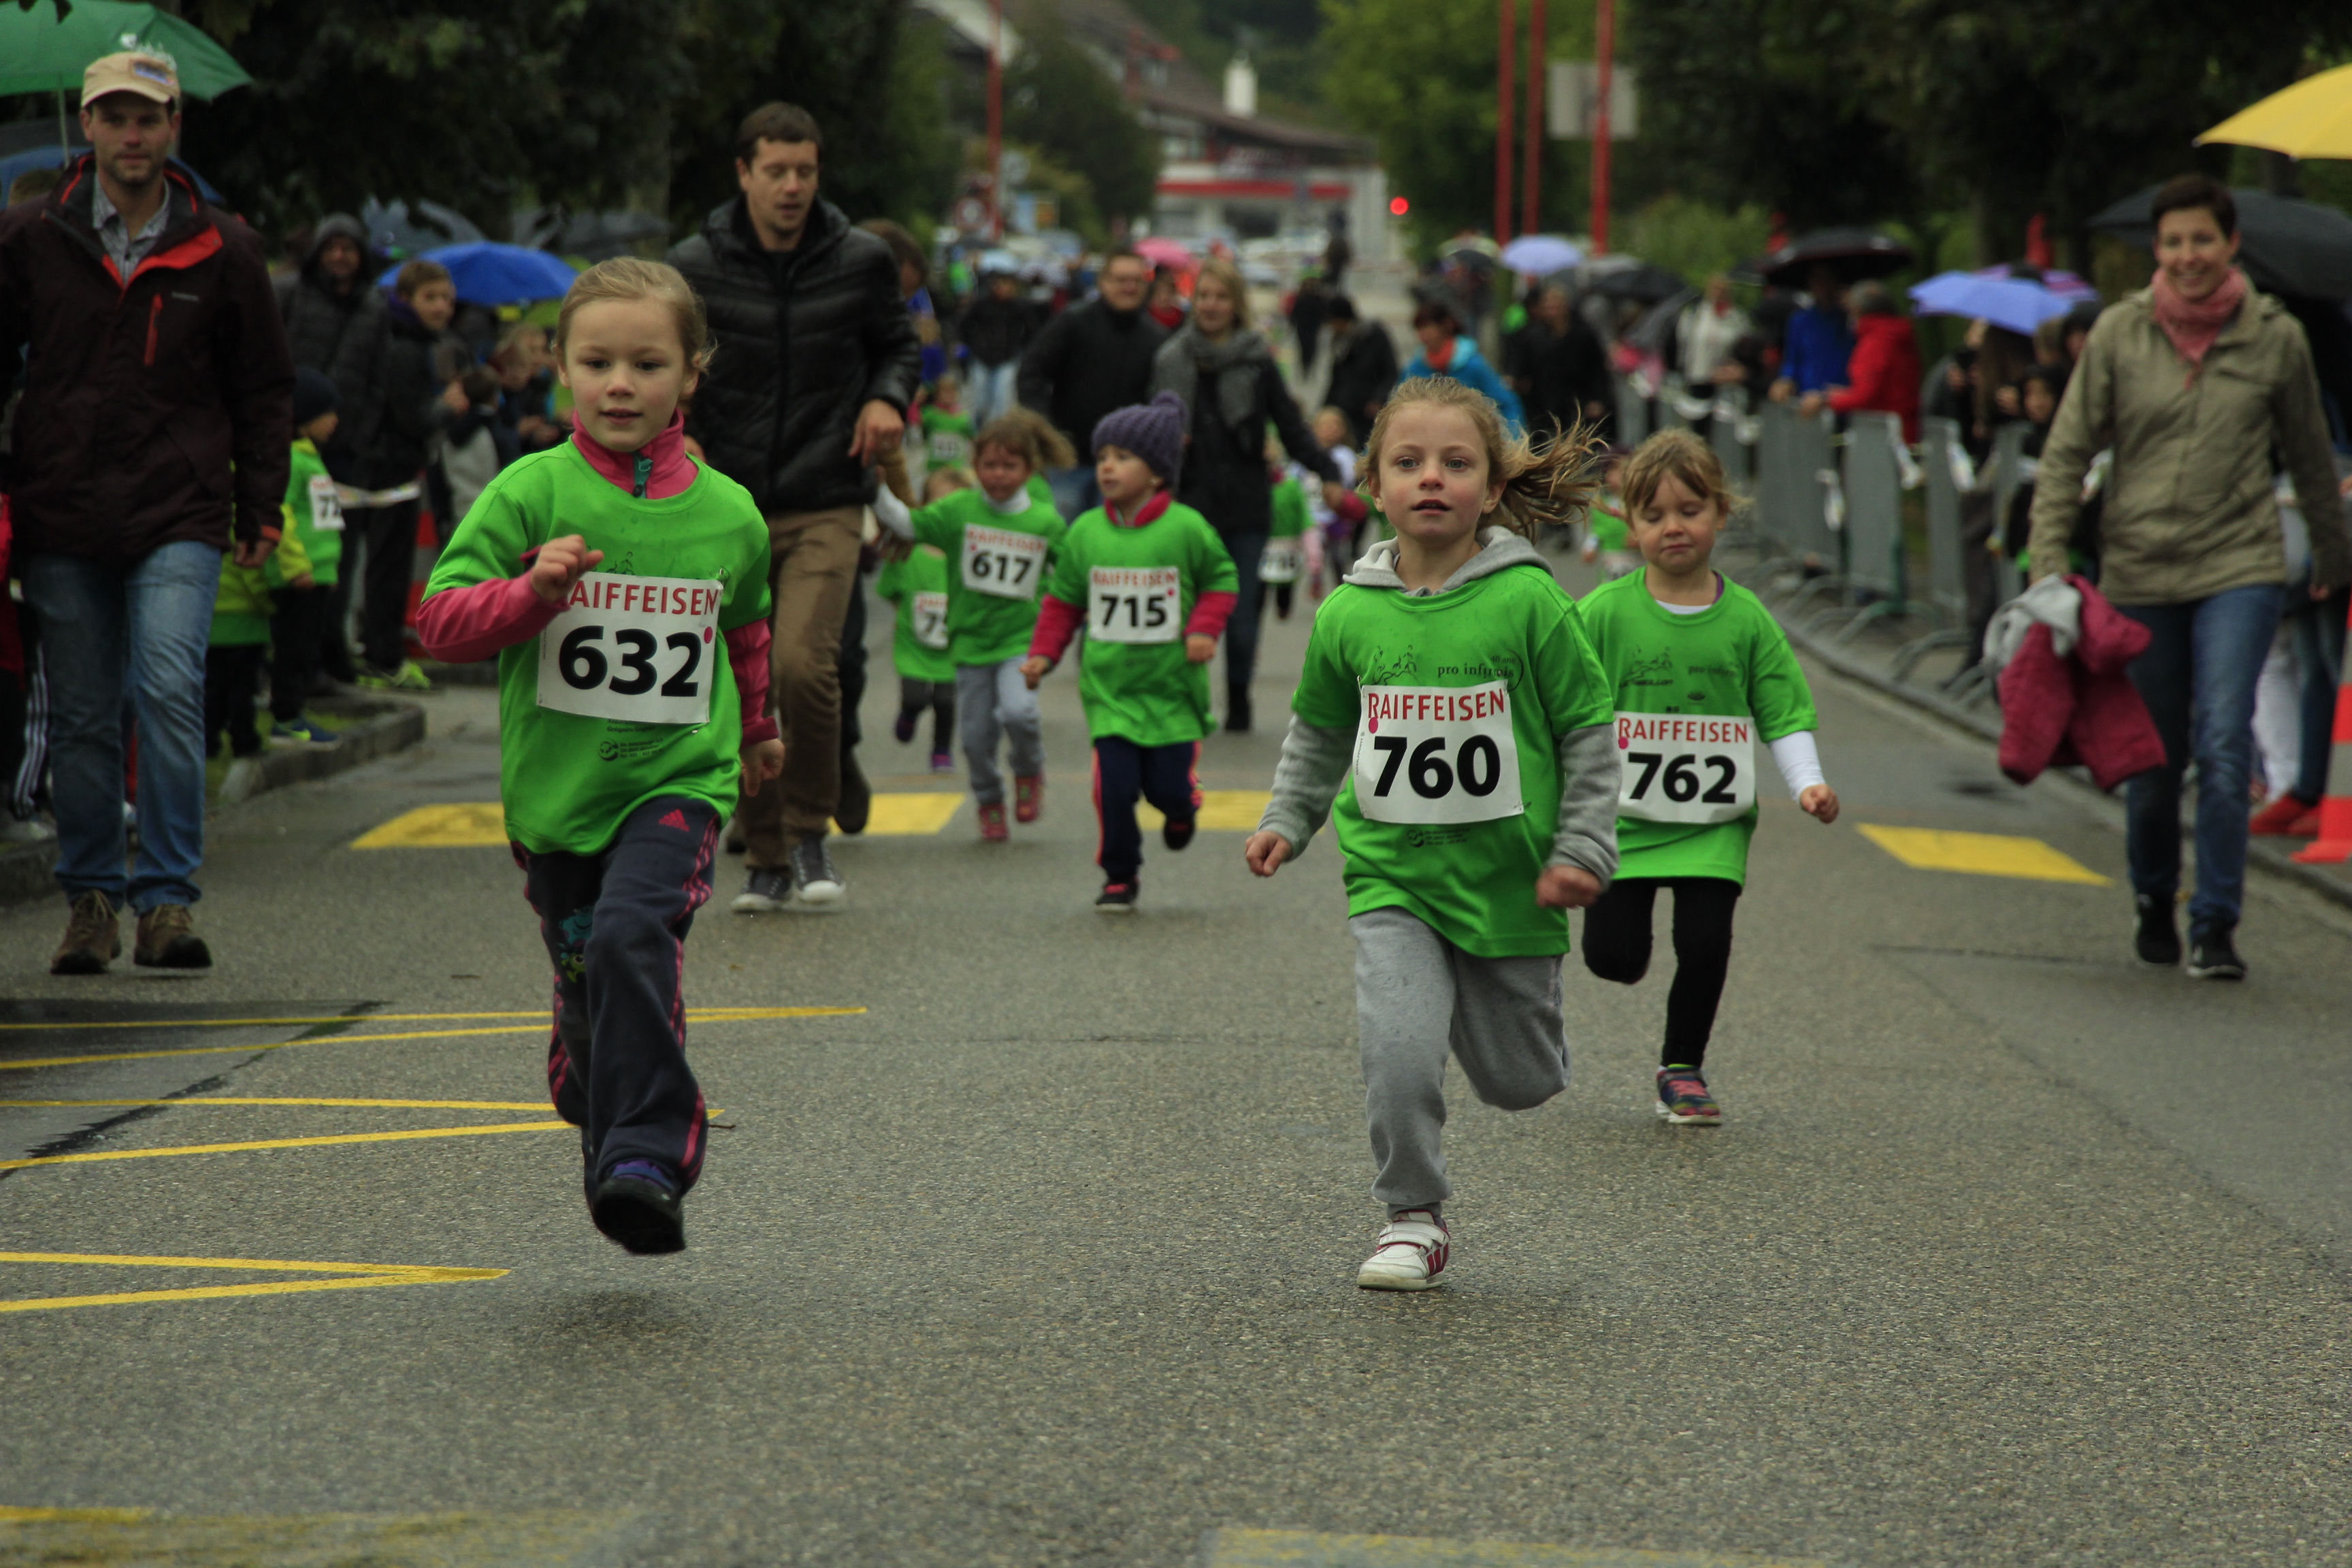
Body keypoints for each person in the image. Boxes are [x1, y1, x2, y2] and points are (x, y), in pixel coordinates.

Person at [414, 259, 782, 1255]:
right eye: (597, 363)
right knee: (590, 983)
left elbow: (745, 630)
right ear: (561, 368)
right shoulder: (530, 493)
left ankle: (650, 1159)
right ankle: (592, 1082)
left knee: (630, 935)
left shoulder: (732, 514)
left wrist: (756, 729)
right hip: (559, 798)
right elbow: (439, 623)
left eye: (648, 364)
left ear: (692, 372)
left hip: (678, 781)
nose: (621, 385)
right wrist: (531, 592)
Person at [1243, 374, 1618, 1291]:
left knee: (1521, 1083)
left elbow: (1587, 729)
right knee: (1398, 1050)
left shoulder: (1529, 602)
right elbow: (1321, 732)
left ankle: (1508, 1024)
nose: (1432, 478)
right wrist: (1288, 818)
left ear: (1492, 488)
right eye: (1408, 463)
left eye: (1457, 463)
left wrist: (1582, 847)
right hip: (1394, 877)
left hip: (1509, 881)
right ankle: (1412, 1216)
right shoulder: (1348, 611)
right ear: (1374, 486)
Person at [0, 50, 295, 975]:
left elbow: (263, 389)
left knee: (167, 688)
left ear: (174, 128)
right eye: (116, 117)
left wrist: (263, 503)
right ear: (88, 126)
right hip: (61, 507)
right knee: (85, 715)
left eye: (149, 118)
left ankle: (167, 899)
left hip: (180, 507)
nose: (133, 135)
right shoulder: (30, 235)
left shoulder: (227, 247)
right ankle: (91, 900)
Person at [2028, 173, 2351, 981]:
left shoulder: (2276, 338)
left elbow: (2310, 455)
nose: (2188, 255)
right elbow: (2066, 454)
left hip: (2240, 564)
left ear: (2231, 243)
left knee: (2225, 740)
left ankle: (2216, 922)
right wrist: (2048, 566)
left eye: (2202, 239)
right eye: (2173, 242)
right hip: (2139, 570)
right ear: (2157, 250)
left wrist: (2334, 554)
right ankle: (2153, 894)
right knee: (2154, 760)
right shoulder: (2119, 332)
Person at [669, 101, 920, 910]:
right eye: (776, 171)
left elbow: (898, 346)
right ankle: (767, 856)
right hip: (724, 502)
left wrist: (885, 400)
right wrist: (682, 434)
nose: (792, 186)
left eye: (805, 172)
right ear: (744, 173)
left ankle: (809, 832)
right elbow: (669, 361)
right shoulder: (693, 265)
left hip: (826, 495)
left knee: (804, 667)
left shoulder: (861, 259)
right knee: (742, 687)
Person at [1577, 431, 1840, 1126]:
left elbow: (1782, 711)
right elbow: (1560, 696)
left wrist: (1807, 782)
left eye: (1690, 510)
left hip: (1711, 829)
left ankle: (1683, 1067)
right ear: (1628, 523)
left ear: (1721, 513)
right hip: (1624, 824)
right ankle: (1623, 952)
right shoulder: (1604, 612)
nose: (1674, 527)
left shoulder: (1748, 620)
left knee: (1705, 944)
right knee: (1613, 958)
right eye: (1654, 514)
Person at [1021, 393, 1237, 910]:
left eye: (1122, 457)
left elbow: (1221, 580)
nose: (1107, 467)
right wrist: (1044, 654)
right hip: (1111, 692)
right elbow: (1063, 602)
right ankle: (1120, 875)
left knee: (1166, 789)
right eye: (1101, 457)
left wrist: (1204, 629)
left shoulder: (1186, 528)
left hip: (1172, 691)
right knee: (1112, 790)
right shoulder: (1085, 532)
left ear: (1158, 473)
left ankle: (1181, 806)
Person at [1148, 259, 1339, 732]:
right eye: (1204, 296)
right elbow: (1150, 433)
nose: (1211, 305)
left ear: (1236, 305)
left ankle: (1238, 700)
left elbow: (1290, 425)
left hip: (1246, 500)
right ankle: (1184, 699)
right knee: (1184, 607)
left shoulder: (1257, 360)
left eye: (1221, 297)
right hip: (1187, 500)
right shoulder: (1170, 359)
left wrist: (1327, 470)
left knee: (1242, 610)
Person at [878, 408, 1073, 848]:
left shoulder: (1045, 521)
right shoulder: (959, 510)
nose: (999, 475)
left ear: (1029, 469)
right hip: (969, 644)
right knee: (975, 738)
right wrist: (875, 492)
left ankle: (1029, 770)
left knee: (1020, 712)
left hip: (1020, 641)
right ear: (975, 465)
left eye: (1010, 466)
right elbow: (908, 523)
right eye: (990, 465)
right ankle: (989, 798)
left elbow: (1072, 576)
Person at [359, 257, 467, 691]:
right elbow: (412, 418)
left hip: (394, 466)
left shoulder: (413, 340)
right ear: (406, 299)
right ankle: (383, 657)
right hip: (391, 469)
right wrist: (448, 407)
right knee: (388, 565)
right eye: (431, 298)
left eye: (448, 299)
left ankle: (382, 652)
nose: (442, 307)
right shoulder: (406, 346)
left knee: (388, 565)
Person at [1016, 245, 1166, 519]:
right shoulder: (1073, 323)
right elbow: (1032, 371)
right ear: (1104, 282)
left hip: (1126, 466)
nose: (1130, 288)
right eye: (1121, 280)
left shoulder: (1156, 339)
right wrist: (1043, 425)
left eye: (1137, 281)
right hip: (1068, 460)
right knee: (1064, 534)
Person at [266, 370, 346, 747]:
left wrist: (328, 567)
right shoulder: (293, 461)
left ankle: (293, 712)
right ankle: (285, 716)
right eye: (327, 412)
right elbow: (281, 514)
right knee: (293, 649)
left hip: (318, 574)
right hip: (299, 577)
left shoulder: (312, 459)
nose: (335, 420)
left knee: (306, 647)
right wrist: (297, 565)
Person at [879, 467, 968, 774]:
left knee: (946, 701)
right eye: (939, 503)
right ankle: (909, 714)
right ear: (924, 506)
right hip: (914, 647)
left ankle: (942, 750)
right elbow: (890, 591)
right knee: (915, 697)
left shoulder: (966, 555)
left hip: (950, 648)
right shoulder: (910, 553)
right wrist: (902, 614)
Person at [1813, 280, 1922, 442]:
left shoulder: (1877, 340)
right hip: (1904, 427)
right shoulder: (1896, 333)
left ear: (1858, 309)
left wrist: (1825, 401)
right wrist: (1843, 394)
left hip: (1886, 436)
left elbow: (1865, 396)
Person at [1403, 298, 1524, 434]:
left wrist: (1513, 438)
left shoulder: (1473, 365)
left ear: (1445, 326)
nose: (1423, 335)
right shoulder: (1415, 368)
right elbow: (1397, 406)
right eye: (1419, 329)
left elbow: (1508, 403)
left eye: (1427, 327)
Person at [1517, 286, 1611, 441]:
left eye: (1556, 306)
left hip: (1577, 402)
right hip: (1542, 404)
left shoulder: (1583, 334)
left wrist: (1598, 399)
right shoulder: (1532, 336)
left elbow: (1598, 369)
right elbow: (1522, 368)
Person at [958, 271, 1034, 427]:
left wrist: (1021, 348)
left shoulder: (1019, 306)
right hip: (981, 357)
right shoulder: (982, 304)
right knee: (979, 401)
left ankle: (998, 433)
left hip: (1007, 358)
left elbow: (1031, 330)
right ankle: (977, 431)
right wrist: (972, 344)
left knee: (1002, 402)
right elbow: (964, 325)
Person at [1322, 295, 1399, 447]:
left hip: (1368, 411)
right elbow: (1336, 378)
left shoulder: (1373, 335)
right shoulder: (1338, 341)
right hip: (1345, 409)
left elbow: (1391, 371)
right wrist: (1325, 408)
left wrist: (1379, 399)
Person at [1769, 263, 1852, 402]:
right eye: (1816, 279)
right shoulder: (1800, 321)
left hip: (1839, 396)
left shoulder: (1849, 319)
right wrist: (1786, 380)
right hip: (1807, 397)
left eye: (1826, 279)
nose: (1821, 285)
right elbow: (1792, 358)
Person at [1676, 273, 1752, 387]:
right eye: (1716, 288)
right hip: (1695, 376)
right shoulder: (1694, 314)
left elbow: (1746, 346)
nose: (1719, 293)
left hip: (1725, 381)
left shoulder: (1738, 318)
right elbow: (1682, 343)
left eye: (1723, 290)